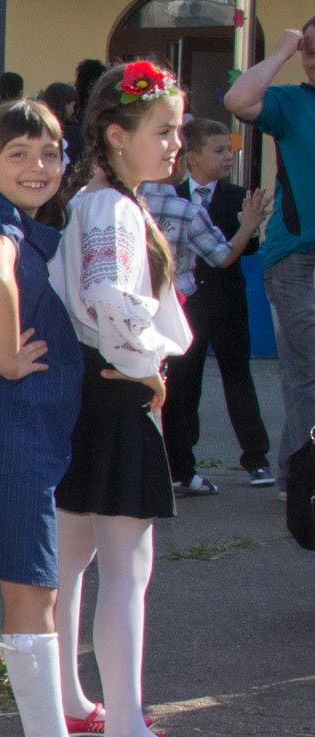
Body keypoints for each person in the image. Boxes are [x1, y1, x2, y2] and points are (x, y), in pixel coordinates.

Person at [0, 102, 135, 737]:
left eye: (48, 154)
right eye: (17, 154)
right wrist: (10, 354)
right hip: (6, 426)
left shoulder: (1, 217)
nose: (37, 167)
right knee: (32, 584)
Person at [54, 60, 217, 737]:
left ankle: (71, 699)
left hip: (90, 389)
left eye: (177, 130)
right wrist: (147, 362)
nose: (175, 143)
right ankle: (126, 729)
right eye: (164, 130)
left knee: (74, 558)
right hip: (116, 391)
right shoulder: (114, 208)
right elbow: (108, 294)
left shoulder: (97, 200)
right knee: (127, 566)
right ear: (117, 135)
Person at [135, 130, 271, 495]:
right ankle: (182, 461)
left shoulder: (236, 195)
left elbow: (246, 250)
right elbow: (222, 253)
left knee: (235, 377)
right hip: (186, 304)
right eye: (219, 150)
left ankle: (254, 457)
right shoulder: (179, 200)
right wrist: (246, 226)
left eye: (229, 149)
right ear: (191, 157)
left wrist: (248, 226)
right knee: (182, 385)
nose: (228, 156)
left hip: (223, 302)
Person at [224, 18, 315, 488]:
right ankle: (300, 481)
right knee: (309, 372)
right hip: (298, 255)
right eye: (311, 50)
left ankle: (295, 475)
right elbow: (238, 101)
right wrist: (281, 52)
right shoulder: (290, 102)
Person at [39, 83, 80, 169]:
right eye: (72, 105)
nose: (73, 110)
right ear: (68, 104)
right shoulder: (75, 133)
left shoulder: (38, 129)